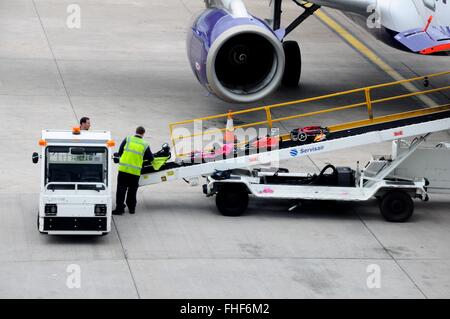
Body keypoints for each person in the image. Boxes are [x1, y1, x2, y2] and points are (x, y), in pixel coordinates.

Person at [112, 126, 153, 215]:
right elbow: (150, 158)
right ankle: (131, 209)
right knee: (132, 191)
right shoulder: (145, 144)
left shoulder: (128, 139)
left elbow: (120, 152)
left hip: (123, 170)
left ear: (136, 132)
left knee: (121, 190)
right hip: (135, 172)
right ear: (143, 134)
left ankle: (119, 209)